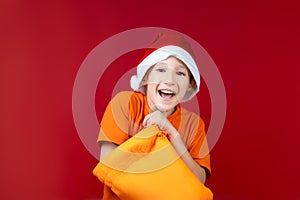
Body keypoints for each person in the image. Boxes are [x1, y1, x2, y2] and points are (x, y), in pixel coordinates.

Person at [97, 31, 211, 199]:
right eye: (161, 69)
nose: (170, 80)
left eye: (180, 73)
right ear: (145, 78)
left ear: (189, 85)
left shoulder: (194, 124)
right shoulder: (124, 104)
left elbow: (199, 180)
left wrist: (172, 134)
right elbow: (109, 165)